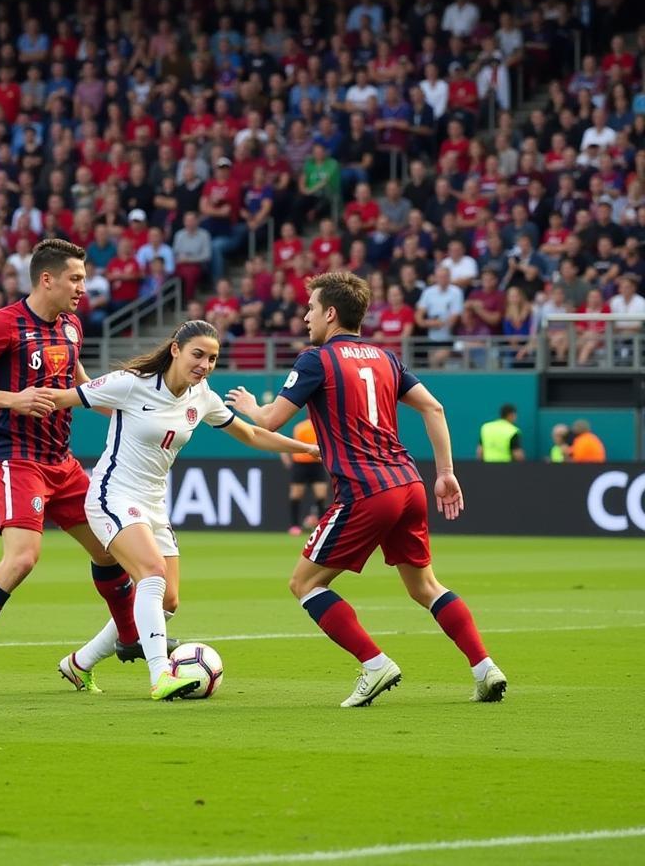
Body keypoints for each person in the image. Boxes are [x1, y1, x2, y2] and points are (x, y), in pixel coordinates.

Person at [226, 271, 507, 707]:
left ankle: (374, 664)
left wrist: (249, 407)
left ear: (331, 313)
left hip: (365, 489)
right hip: (409, 483)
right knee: (425, 587)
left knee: (305, 584)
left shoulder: (316, 359)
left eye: (311, 308)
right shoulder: (387, 358)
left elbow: (268, 422)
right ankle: (485, 668)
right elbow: (433, 406)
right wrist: (445, 472)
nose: (305, 317)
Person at [47, 320, 318, 699]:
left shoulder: (201, 395)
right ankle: (160, 676)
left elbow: (253, 434)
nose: (205, 365)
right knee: (152, 574)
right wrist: (10, 402)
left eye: (212, 358)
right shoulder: (131, 383)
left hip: (154, 504)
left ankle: (79, 663)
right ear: (175, 349)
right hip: (113, 495)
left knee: (168, 601)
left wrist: (306, 449)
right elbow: (62, 398)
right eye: (198, 355)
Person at [0, 239, 143, 697]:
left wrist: (122, 407)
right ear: (46, 279)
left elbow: (79, 381)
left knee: (110, 547)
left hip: (62, 463)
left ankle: (129, 638)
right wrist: (13, 399)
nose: (83, 288)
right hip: (16, 459)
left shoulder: (71, 326)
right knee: (23, 558)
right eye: (75, 279)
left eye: (84, 279)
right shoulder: (2, 324)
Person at [285, 417, 329, 531]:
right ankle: (294, 526)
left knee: (321, 495)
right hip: (300, 464)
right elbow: (291, 445)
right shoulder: (300, 427)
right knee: (296, 495)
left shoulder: (322, 427)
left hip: (317, 464)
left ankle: (321, 525)